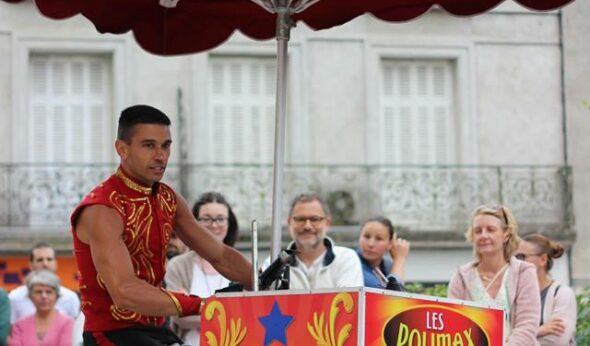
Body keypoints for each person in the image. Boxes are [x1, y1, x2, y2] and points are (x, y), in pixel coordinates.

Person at [70, 104, 252, 345]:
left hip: (156, 329)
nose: (160, 156)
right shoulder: (103, 209)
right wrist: (204, 305)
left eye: (166, 146)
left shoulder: (168, 198)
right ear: (121, 149)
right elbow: (125, 292)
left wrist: (263, 283)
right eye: (149, 146)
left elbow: (218, 255)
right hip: (112, 334)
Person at [447, 204, 541, 346]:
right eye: (478, 231)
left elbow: (527, 325)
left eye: (491, 230)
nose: (484, 235)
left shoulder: (524, 273)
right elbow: (454, 325)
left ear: (506, 235)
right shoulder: (460, 277)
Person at [165, 191, 239, 345]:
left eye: (220, 219)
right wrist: (229, 312)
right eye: (206, 219)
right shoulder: (178, 266)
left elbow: (248, 312)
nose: (213, 225)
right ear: (194, 223)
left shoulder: (240, 265)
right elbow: (180, 317)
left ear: (229, 223)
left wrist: (194, 310)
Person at [268, 193, 363, 289]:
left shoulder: (346, 259)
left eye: (314, 219)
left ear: (327, 223)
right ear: (289, 222)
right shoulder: (273, 263)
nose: (307, 226)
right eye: (300, 219)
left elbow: (349, 301)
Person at [517, 233, 577, 345]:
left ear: (543, 260)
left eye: (522, 257)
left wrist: (518, 338)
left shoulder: (562, 294)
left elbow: (557, 341)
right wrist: (539, 331)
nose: (517, 263)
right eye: (515, 257)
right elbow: (499, 336)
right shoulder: (512, 294)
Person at [8, 243, 80, 324]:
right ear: (31, 265)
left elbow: (75, 332)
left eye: (49, 259)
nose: (45, 264)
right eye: (40, 260)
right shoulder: (14, 297)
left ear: (55, 263)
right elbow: (11, 331)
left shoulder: (70, 297)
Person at [9, 270, 74, 346]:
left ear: (57, 296)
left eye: (49, 292)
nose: (44, 296)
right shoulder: (19, 326)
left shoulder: (68, 323)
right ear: (30, 297)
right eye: (38, 292)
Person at [356, 216, 410, 288]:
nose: (370, 244)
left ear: (390, 243)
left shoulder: (388, 265)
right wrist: (399, 259)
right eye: (366, 236)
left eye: (379, 238)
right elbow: (391, 297)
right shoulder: (352, 263)